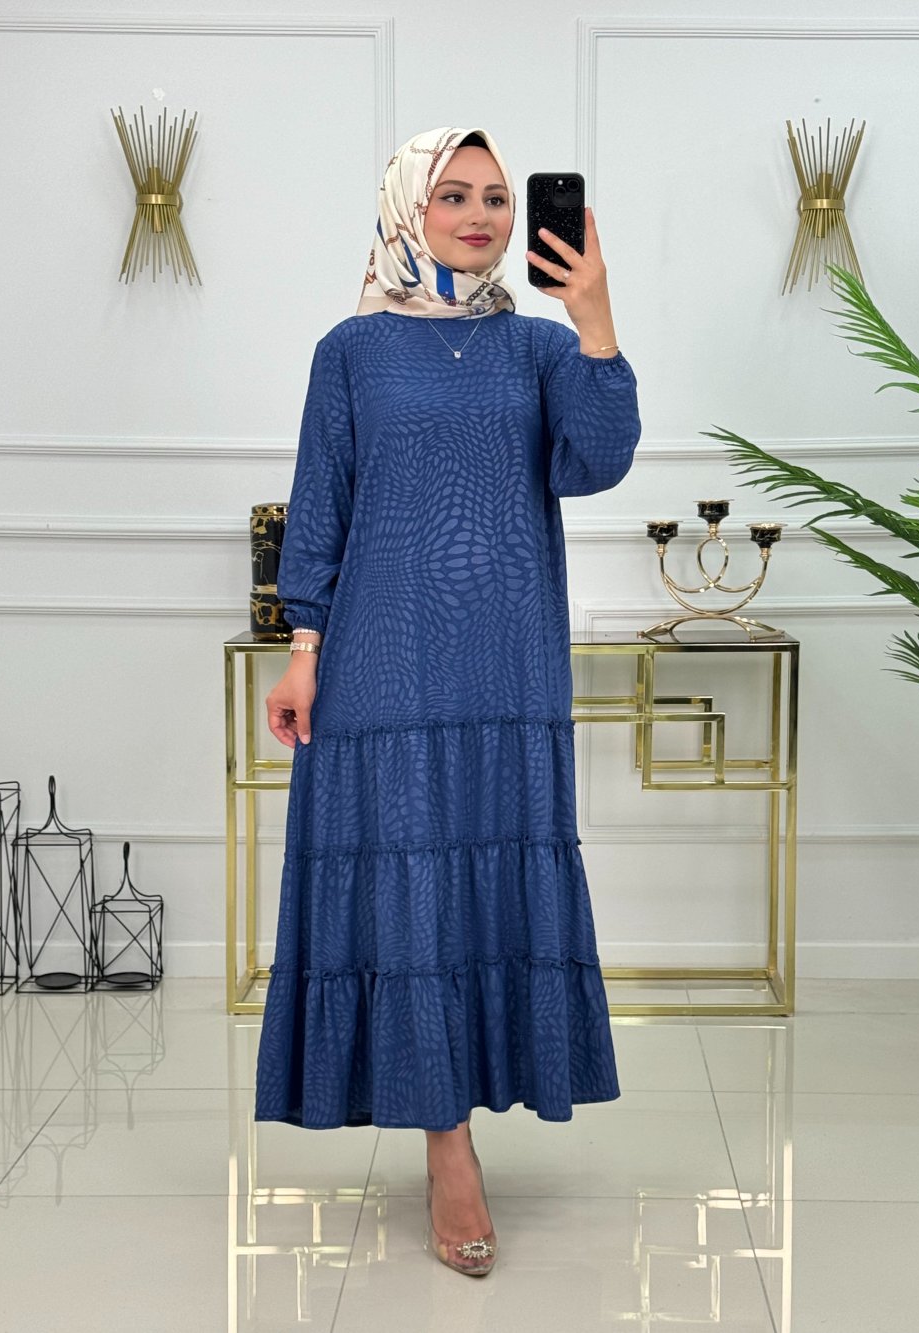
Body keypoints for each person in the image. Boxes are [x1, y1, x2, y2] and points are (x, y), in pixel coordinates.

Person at [253, 125, 642, 1277]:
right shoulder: (351, 350)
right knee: (412, 896)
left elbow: (598, 460)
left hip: (505, 667)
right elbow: (321, 498)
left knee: (483, 889)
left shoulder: (539, 347)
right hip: (381, 663)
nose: (480, 216)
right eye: (453, 195)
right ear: (405, 211)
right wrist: (303, 647)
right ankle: (446, 1147)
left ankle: (468, 1110)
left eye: (497, 198)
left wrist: (596, 321)